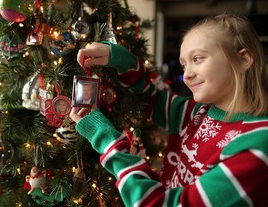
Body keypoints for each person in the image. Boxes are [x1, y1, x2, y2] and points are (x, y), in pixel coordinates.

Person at [70, 14, 268, 206]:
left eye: (197, 58)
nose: (187, 75)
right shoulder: (197, 112)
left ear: (243, 60)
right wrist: (125, 61)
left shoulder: (256, 146)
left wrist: (105, 139)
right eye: (183, 65)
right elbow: (153, 99)